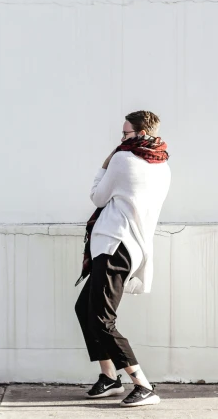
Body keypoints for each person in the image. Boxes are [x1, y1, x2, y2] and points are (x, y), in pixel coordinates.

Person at [74, 110, 171, 407]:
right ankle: (108, 377)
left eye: (125, 133)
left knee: (102, 318)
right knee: (84, 307)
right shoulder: (162, 165)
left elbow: (98, 197)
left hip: (114, 244)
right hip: (130, 247)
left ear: (140, 133)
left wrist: (103, 167)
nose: (121, 138)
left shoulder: (121, 159)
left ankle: (143, 385)